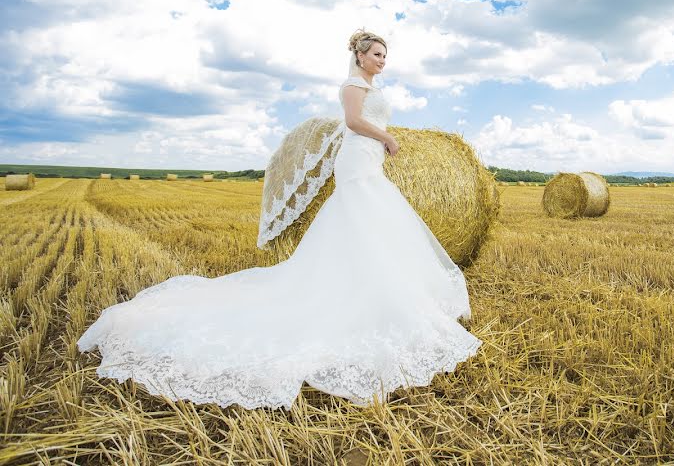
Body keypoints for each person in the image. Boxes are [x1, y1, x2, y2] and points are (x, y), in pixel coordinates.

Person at [77, 29, 483, 408]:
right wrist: (389, 138)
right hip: (359, 160)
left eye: (385, 56)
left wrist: (384, 141)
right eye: (376, 54)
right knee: (366, 216)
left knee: (370, 223)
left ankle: (372, 285)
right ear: (359, 55)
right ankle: (371, 289)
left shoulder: (371, 86)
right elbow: (354, 122)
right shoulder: (352, 87)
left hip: (369, 160)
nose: (382, 61)